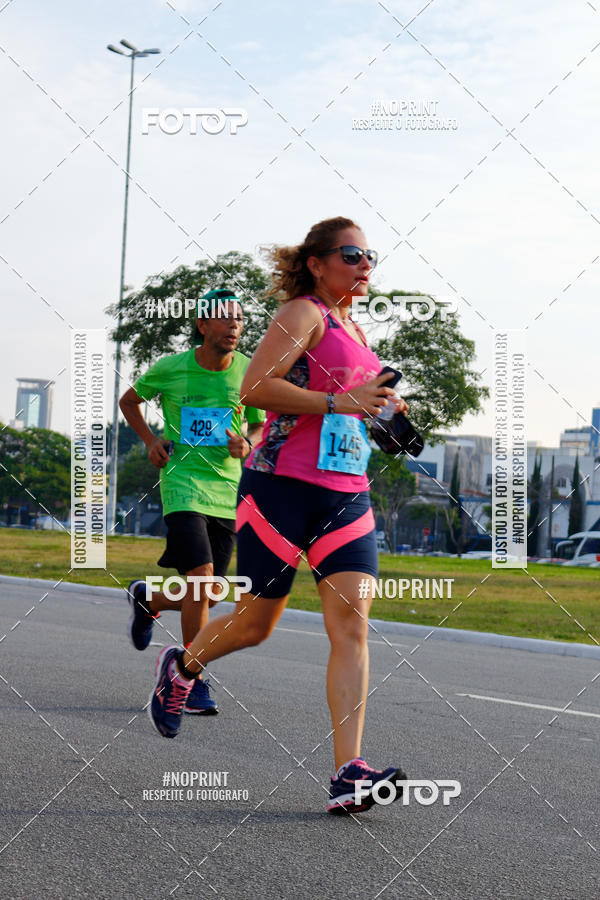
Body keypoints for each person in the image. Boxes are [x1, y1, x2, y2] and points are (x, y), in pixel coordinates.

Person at [148, 218, 408, 814]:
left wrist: (385, 408)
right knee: (254, 626)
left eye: (370, 255)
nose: (365, 263)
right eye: (352, 254)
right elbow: (255, 388)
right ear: (318, 263)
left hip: (346, 496)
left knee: (352, 627)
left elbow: (348, 406)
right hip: (279, 492)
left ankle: (349, 772)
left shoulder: (356, 329)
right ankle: (182, 664)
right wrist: (339, 400)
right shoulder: (303, 314)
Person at [119, 289, 265, 714]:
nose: (235, 326)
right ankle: (192, 677)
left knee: (210, 592)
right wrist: (149, 441)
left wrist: (247, 442)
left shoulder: (249, 371)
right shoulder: (171, 368)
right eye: (225, 318)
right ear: (202, 325)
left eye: (240, 319)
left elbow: (259, 424)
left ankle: (150, 601)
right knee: (202, 578)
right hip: (182, 481)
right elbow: (129, 402)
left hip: (226, 491)